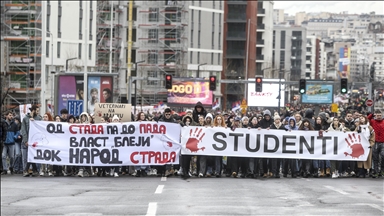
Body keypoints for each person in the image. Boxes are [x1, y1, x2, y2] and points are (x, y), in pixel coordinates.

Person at [20, 105, 42, 177]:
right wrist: (26, 140)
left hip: (35, 141)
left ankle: (30, 170)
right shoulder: (25, 119)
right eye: (37, 111)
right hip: (27, 140)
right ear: (33, 110)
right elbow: (23, 130)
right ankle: (29, 170)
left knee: (32, 156)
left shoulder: (38, 118)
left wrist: (34, 121)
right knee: (27, 156)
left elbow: (41, 128)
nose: (38, 112)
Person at [368, 110, 384, 178]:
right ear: (375, 116)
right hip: (375, 142)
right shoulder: (373, 122)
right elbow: (367, 119)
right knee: (375, 158)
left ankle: (382, 170)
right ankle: (376, 171)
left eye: (380, 115)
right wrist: (372, 114)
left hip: (383, 142)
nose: (379, 117)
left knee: (383, 156)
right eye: (377, 115)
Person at [269, 113, 285, 178]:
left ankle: (277, 172)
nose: (278, 120)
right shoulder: (272, 126)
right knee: (273, 160)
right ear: (274, 120)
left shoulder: (282, 126)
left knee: (278, 160)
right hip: (273, 146)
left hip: (280, 146)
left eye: (279, 119)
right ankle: (273, 172)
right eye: (276, 119)